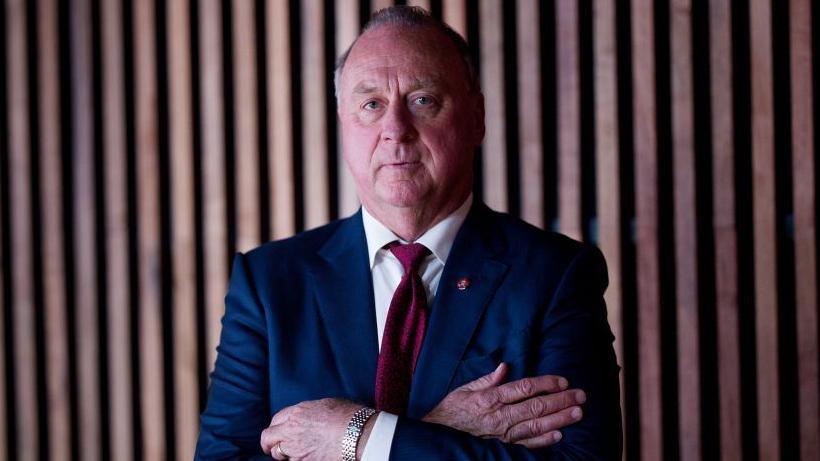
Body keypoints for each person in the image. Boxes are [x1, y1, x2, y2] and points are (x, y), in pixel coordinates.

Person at [195, 6, 621, 460]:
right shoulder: (268, 283)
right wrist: (433, 431)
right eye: (371, 104)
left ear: (476, 117)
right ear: (344, 124)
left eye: (423, 100)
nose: (395, 130)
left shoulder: (555, 275)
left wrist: (358, 437)